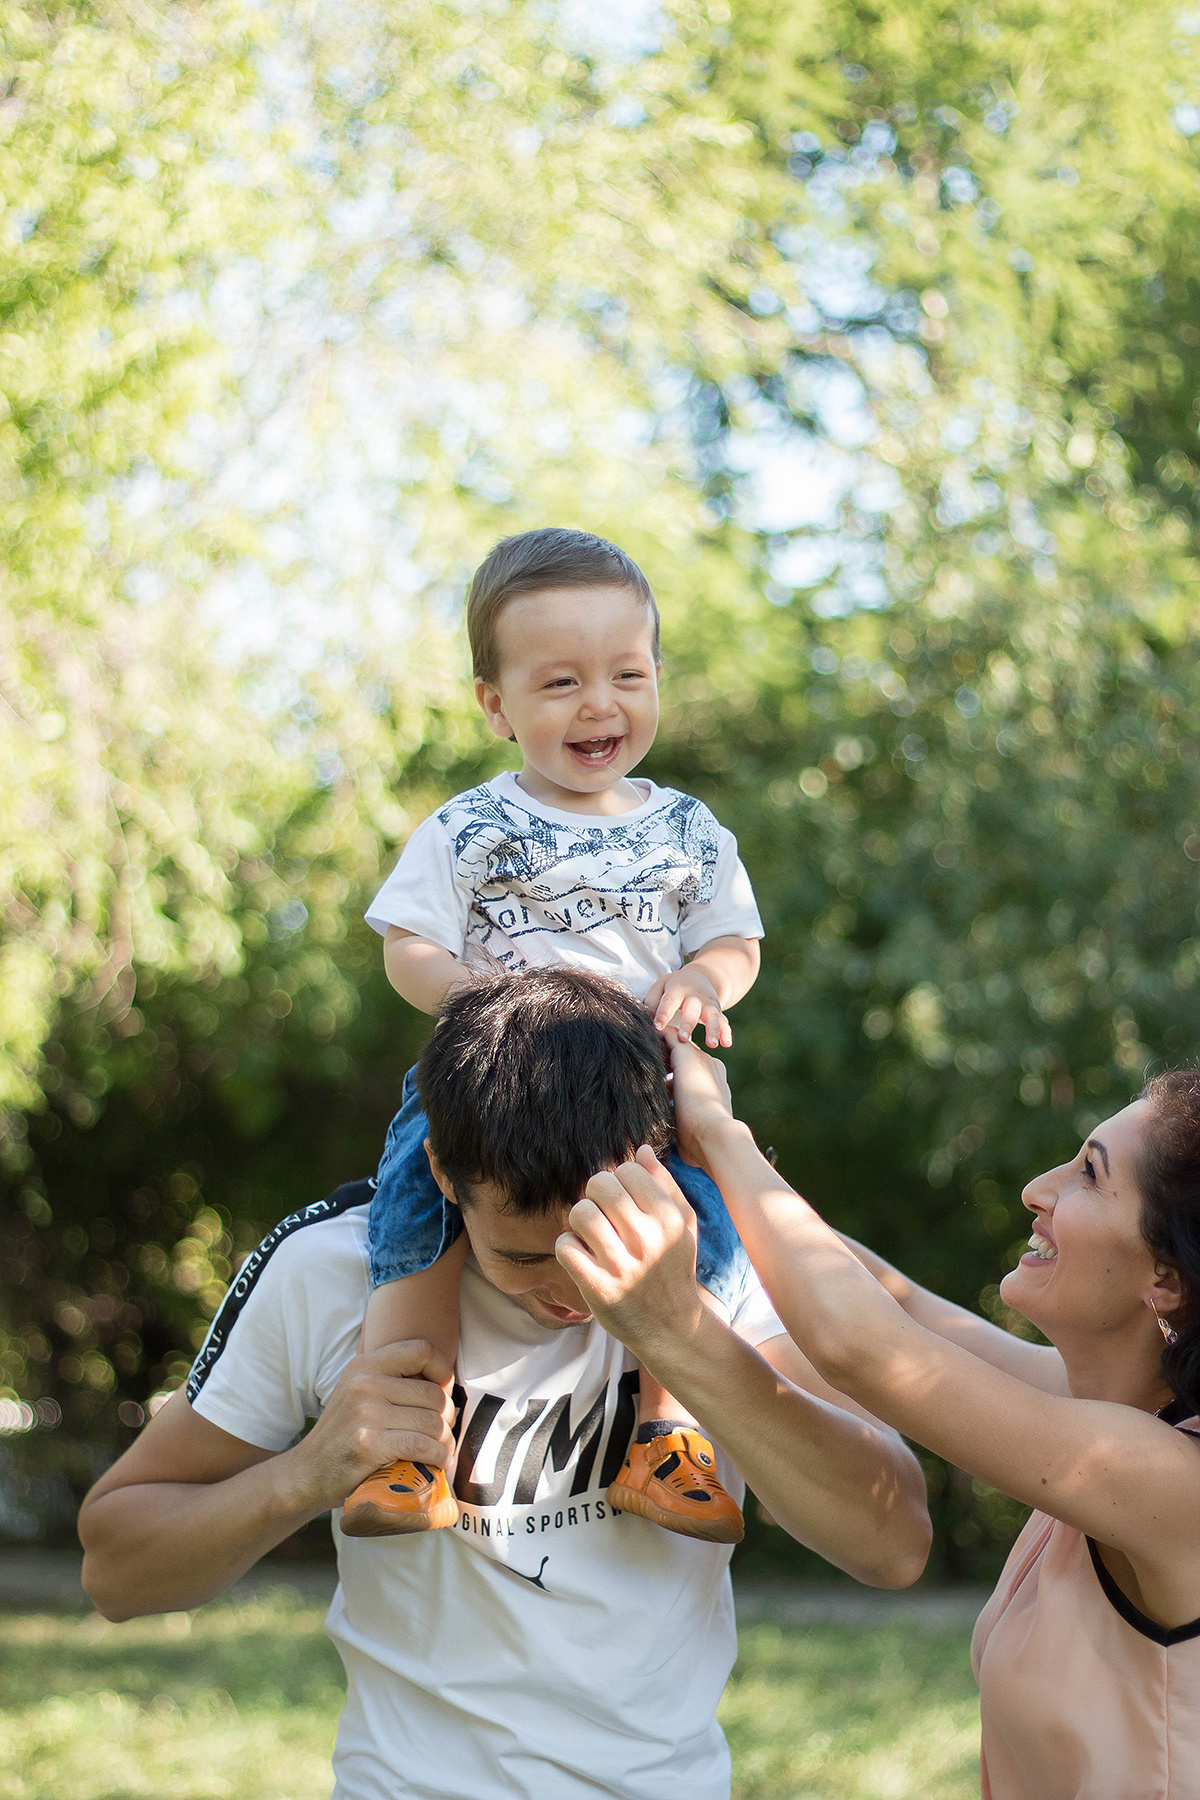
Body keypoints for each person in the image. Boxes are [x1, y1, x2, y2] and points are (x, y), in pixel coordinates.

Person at [78, 969, 931, 1800]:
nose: (572, 1294)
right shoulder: (327, 1269)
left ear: (663, 1161)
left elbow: (893, 1544)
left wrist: (681, 1336)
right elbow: (115, 1569)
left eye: (595, 1241)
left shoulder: (730, 1264)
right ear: (443, 1173)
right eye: (523, 1258)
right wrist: (304, 1475)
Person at [635, 1038, 1200, 1800]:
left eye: (1089, 1175)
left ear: (1166, 1278)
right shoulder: (1099, 1409)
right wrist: (703, 1179)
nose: (1037, 1190)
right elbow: (896, 1304)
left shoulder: (1167, 1482)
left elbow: (865, 1348)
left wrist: (717, 1133)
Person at [346, 525, 765, 1540]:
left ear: (657, 676)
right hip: (495, 1076)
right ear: (496, 705)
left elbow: (736, 941)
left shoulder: (687, 830)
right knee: (413, 1210)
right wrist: (464, 991)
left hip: (636, 1087)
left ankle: (668, 1438)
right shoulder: (469, 827)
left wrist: (702, 980)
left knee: (705, 1225)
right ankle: (406, 1448)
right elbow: (406, 943)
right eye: (561, 682)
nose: (599, 704)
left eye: (627, 674)